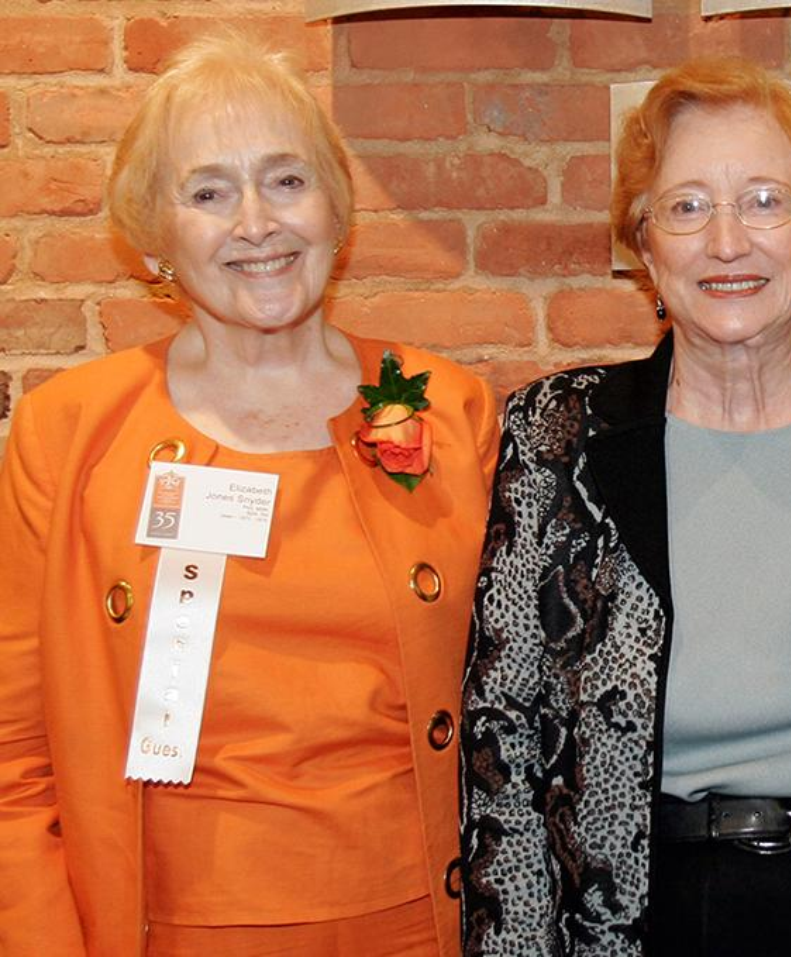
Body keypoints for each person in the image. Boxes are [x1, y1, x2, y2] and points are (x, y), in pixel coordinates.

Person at [460, 57, 791, 956]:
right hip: (629, 919)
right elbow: (499, 732)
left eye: (767, 201)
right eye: (687, 206)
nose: (727, 241)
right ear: (645, 248)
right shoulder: (558, 431)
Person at [0, 33, 498, 957]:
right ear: (153, 235)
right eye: (208, 193)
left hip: (423, 921)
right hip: (168, 928)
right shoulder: (69, 434)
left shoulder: (446, 407)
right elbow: (12, 762)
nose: (256, 224)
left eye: (286, 180)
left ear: (336, 209)